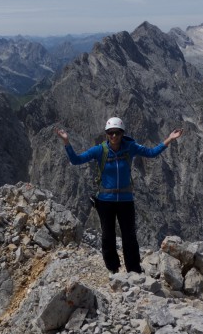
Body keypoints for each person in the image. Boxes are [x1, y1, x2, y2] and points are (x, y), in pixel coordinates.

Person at [55, 117, 184, 274]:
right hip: (105, 201)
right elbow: (76, 160)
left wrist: (169, 139)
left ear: (122, 133)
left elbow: (151, 153)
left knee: (129, 236)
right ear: (107, 134)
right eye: (110, 133)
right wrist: (66, 142)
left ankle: (134, 269)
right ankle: (113, 268)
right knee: (107, 236)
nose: (114, 136)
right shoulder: (99, 150)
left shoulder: (130, 147)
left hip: (125, 200)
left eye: (117, 133)